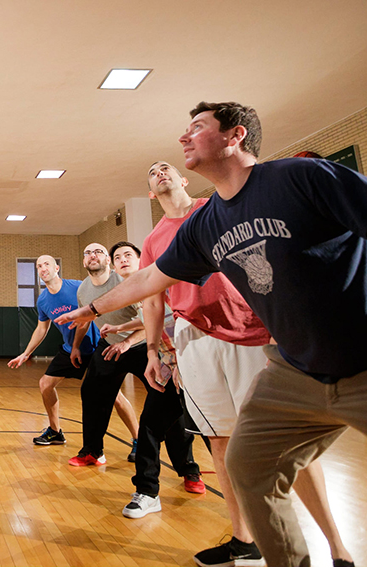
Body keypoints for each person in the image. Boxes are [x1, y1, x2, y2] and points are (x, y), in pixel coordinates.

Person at [56, 102, 362, 567]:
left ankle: (337, 547)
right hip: (283, 363)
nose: (183, 138)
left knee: (276, 457)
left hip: (327, 348)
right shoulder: (205, 224)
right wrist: (97, 312)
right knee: (245, 458)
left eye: (197, 128)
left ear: (234, 136)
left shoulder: (297, 177)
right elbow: (151, 283)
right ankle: (254, 544)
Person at [72, 242, 203, 519]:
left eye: (127, 255)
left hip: (168, 356)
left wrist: (133, 343)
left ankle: (190, 470)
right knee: (110, 402)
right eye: (118, 256)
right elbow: (146, 317)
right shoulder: (88, 289)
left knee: (190, 425)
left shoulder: (156, 284)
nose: (122, 260)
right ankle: (105, 460)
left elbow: (163, 321)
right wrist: (120, 331)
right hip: (147, 354)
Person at [8, 255, 105, 445]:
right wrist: (26, 353)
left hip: (94, 348)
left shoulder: (78, 287)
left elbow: (93, 313)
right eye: (39, 266)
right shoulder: (43, 300)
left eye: (47, 264)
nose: (43, 268)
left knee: (113, 395)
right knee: (45, 384)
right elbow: (41, 329)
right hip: (70, 349)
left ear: (57, 268)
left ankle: (137, 439)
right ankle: (55, 432)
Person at [71, 243, 141, 460]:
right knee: (91, 391)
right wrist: (75, 346)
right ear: (84, 261)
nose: (92, 255)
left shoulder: (125, 280)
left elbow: (151, 321)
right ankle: (93, 451)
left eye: (98, 251)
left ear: (108, 261)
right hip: (110, 345)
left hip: (141, 343)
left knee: (166, 399)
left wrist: (127, 341)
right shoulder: (83, 289)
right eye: (88, 253)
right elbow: (85, 319)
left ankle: (185, 466)